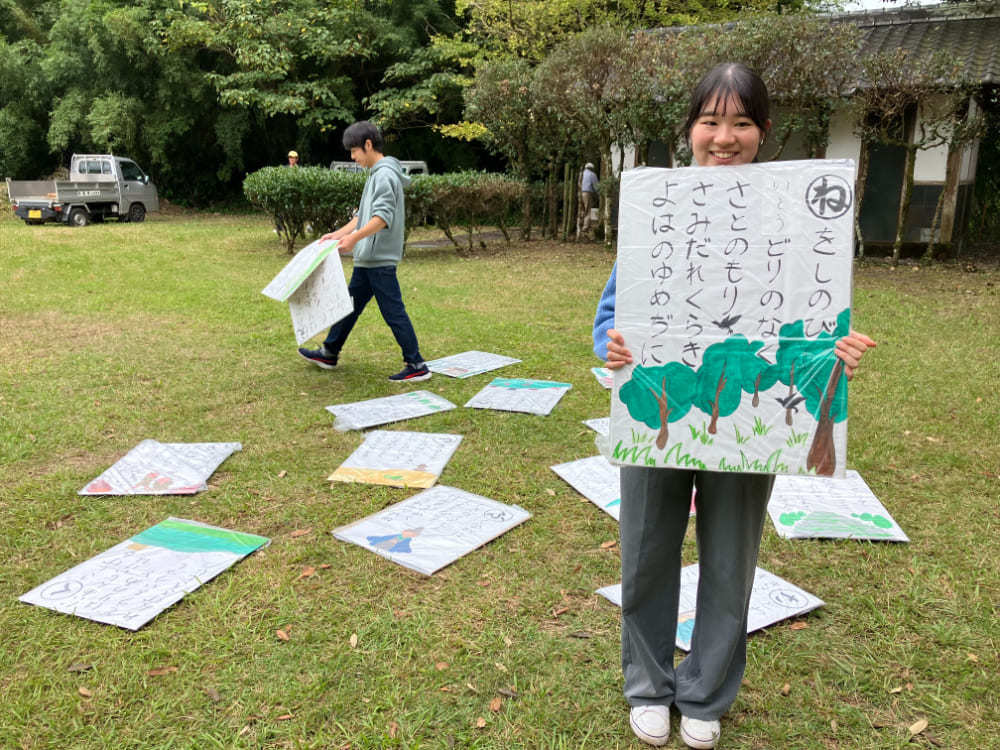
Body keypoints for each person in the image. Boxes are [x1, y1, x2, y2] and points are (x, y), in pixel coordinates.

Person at [592, 63, 876, 749]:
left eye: (741, 122)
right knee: (647, 551)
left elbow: (812, 314)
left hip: (752, 417)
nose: (724, 137)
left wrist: (834, 351)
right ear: (689, 129)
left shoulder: (795, 217)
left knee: (729, 557)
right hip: (658, 404)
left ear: (763, 131)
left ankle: (706, 691)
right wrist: (614, 346)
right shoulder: (658, 208)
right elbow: (611, 314)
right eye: (711, 121)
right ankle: (648, 685)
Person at [298, 121, 430, 383]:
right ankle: (330, 352)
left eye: (354, 151)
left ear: (368, 145)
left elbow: (382, 217)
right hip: (368, 258)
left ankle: (416, 364)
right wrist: (338, 234)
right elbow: (362, 216)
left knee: (393, 311)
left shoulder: (384, 175)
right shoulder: (374, 174)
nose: (352, 157)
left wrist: (353, 239)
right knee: (349, 305)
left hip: (379, 259)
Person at [580, 162, 599, 235]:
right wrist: (599, 194)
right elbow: (596, 186)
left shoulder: (581, 174)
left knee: (582, 209)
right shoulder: (592, 174)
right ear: (591, 168)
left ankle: (580, 224)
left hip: (580, 193)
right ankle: (585, 227)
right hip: (587, 193)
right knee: (588, 210)